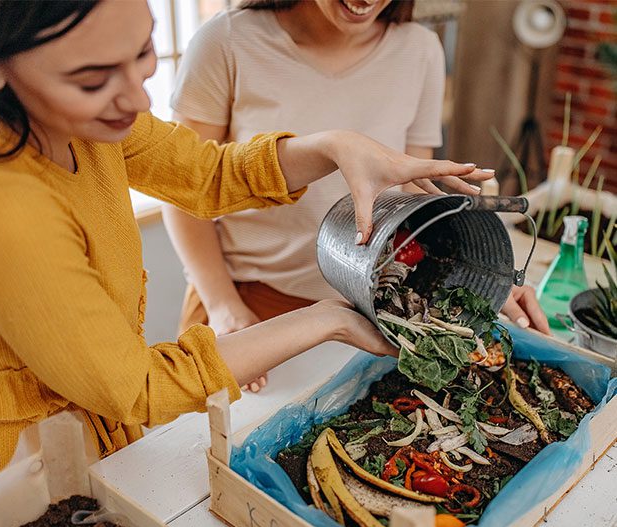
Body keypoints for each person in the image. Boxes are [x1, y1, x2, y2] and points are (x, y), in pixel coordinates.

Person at [0, 0, 492, 478]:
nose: (139, 100)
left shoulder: (80, 126)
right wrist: (326, 320)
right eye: (93, 80)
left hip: (93, 426)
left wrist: (335, 145)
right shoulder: (9, 211)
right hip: (18, 465)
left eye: (142, 53)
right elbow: (138, 386)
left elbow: (206, 173)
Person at [164, 0, 550, 392]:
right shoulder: (228, 40)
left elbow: (414, 201)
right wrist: (223, 306)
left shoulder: (419, 50)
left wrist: (479, 274)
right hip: (251, 306)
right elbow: (182, 190)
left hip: (368, 308)